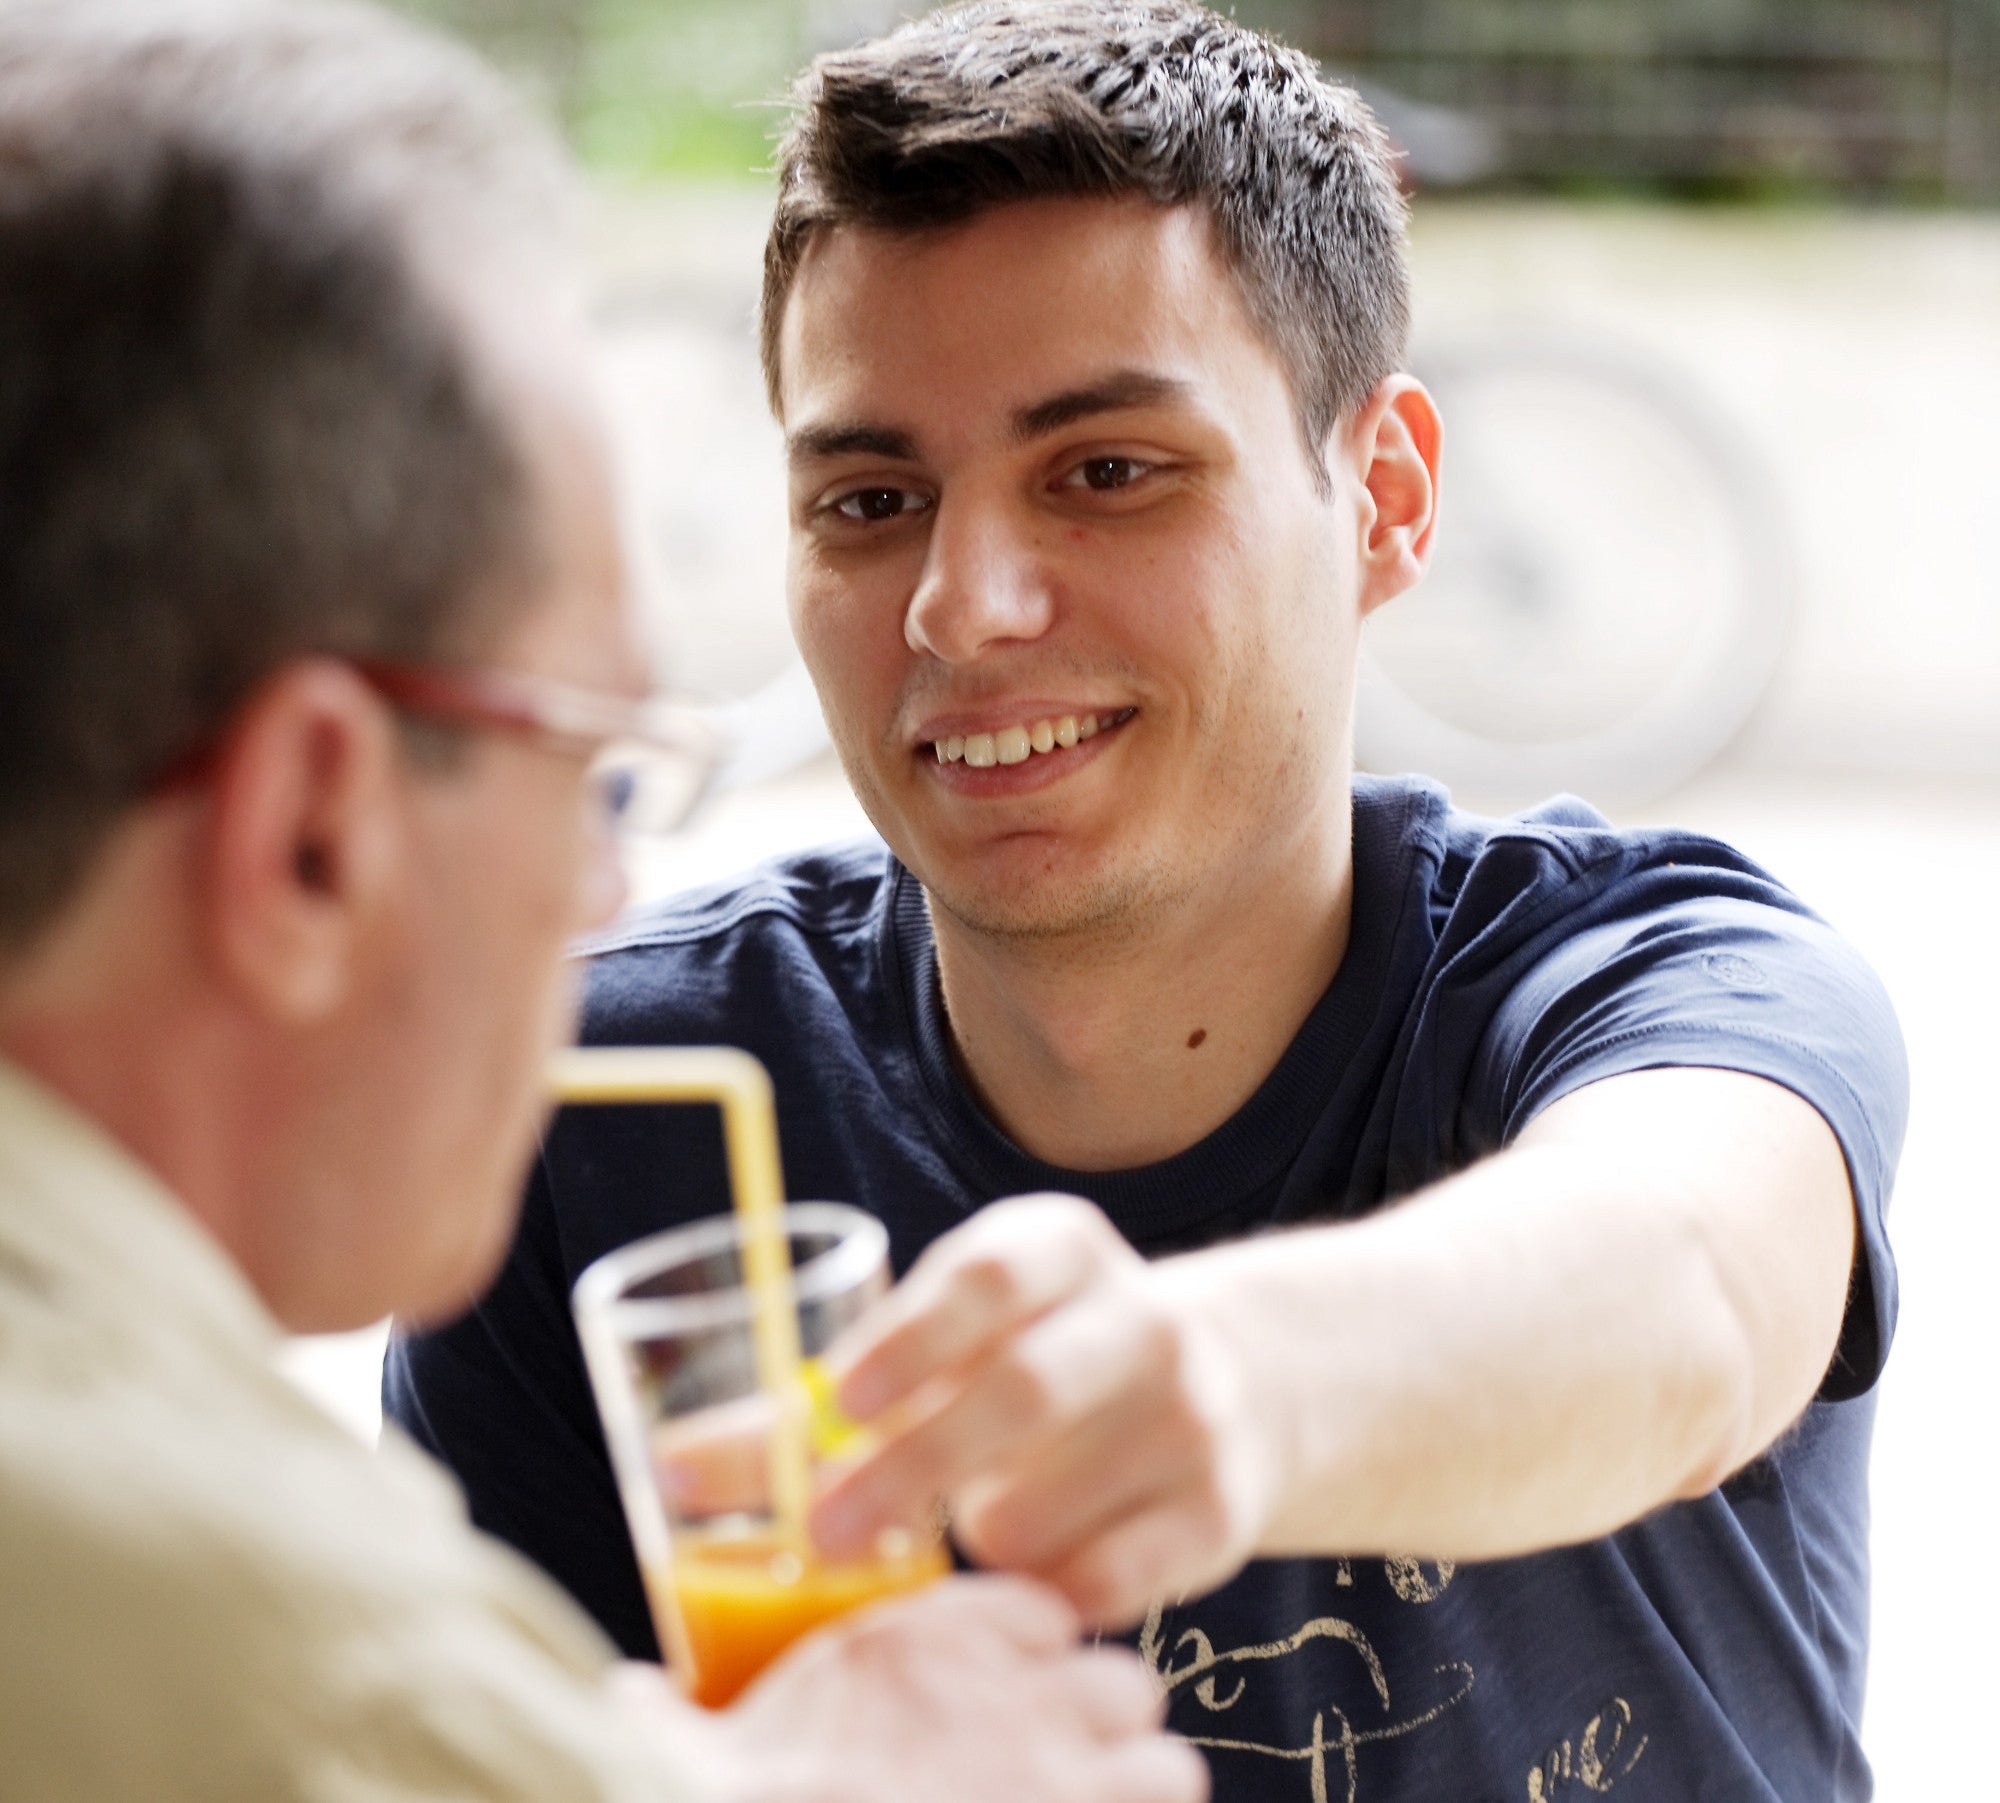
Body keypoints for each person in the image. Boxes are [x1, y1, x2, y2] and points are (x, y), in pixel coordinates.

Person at [387, 2, 1907, 1797]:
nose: (965, 605)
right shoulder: (608, 1099)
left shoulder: (1644, 979)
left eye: (1107, 472)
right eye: (870, 498)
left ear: (1388, 496)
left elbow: (1691, 1299)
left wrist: (1230, 1381)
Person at [0, 4, 1211, 1800]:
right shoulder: (258, 1630)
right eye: (593, 773)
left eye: (1108, 474)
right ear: (314, 831)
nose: (605, 891)